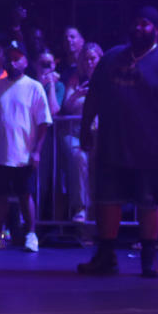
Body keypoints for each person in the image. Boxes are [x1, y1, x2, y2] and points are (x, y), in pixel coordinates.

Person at [77, 7, 158, 278]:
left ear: (156, 30)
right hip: (112, 143)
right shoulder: (111, 59)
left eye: (146, 24)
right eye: (136, 23)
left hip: (151, 148)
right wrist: (85, 127)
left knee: (149, 202)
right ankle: (106, 256)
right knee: (107, 200)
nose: (139, 28)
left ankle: (149, 257)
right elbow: (93, 96)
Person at [0, 40, 52, 252]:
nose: (12, 62)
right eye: (9, 58)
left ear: (26, 61)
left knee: (25, 195)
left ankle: (31, 235)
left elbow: (44, 122)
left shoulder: (34, 87)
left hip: (23, 154)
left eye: (17, 58)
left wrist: (36, 151)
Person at [59, 42, 103, 222]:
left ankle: (99, 213)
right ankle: (81, 207)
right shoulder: (74, 79)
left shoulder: (107, 79)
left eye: (93, 58)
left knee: (98, 167)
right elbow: (66, 108)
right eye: (86, 59)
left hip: (99, 134)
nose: (89, 62)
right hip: (76, 133)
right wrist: (77, 94)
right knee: (78, 158)